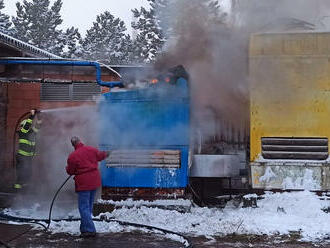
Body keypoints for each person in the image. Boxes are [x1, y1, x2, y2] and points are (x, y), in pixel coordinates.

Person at [66, 136, 109, 238]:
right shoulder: (91, 149)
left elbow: (70, 171)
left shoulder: (73, 156)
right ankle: (84, 229)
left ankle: (90, 230)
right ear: (81, 142)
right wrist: (107, 153)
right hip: (94, 181)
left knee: (83, 207)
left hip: (84, 183)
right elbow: (100, 156)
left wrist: (67, 168)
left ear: (73, 145)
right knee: (88, 206)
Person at [14, 109, 42, 190]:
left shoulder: (31, 133)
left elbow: (38, 126)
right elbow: (27, 124)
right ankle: (17, 190)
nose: (30, 127)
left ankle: (25, 189)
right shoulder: (23, 131)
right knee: (21, 173)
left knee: (28, 173)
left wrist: (39, 117)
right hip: (22, 156)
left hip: (28, 157)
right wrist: (32, 115)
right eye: (29, 126)